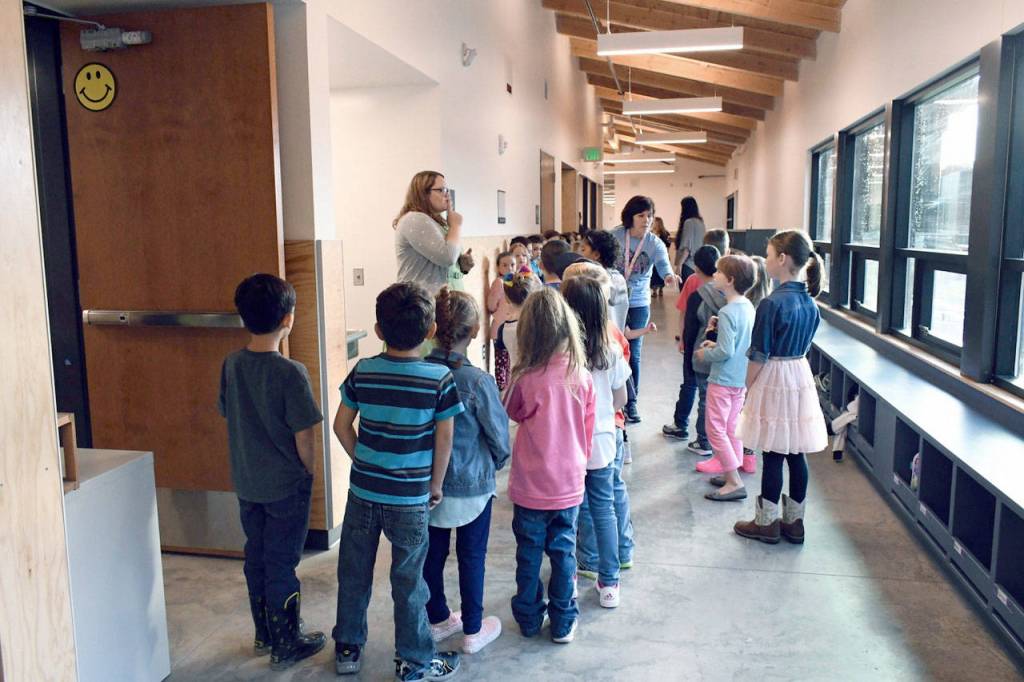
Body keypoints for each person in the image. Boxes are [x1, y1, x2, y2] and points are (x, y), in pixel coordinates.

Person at [331, 282, 463, 681]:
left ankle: (348, 649)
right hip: (410, 498)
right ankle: (414, 661)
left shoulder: (364, 370)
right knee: (409, 581)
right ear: (430, 332)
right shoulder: (438, 378)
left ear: (378, 330)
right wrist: (435, 483)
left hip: (363, 493)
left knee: (354, 571)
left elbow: (341, 426)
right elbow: (445, 437)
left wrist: (365, 461)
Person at [218, 274, 327, 670]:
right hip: (285, 487)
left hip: (247, 482)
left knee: (257, 556)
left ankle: (264, 633)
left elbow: (229, 412)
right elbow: (305, 436)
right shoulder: (290, 373)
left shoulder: (231, 364)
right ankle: (287, 641)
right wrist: (308, 472)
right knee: (282, 561)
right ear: (289, 319)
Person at [504, 287, 595, 644]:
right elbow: (586, 431)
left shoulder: (526, 377)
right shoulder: (581, 375)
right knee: (563, 552)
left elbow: (511, 410)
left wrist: (516, 372)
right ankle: (562, 622)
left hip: (530, 485)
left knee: (528, 555)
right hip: (569, 482)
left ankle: (528, 619)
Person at [423, 288, 510, 655]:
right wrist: (497, 463)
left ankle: (438, 618)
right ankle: (473, 629)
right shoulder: (477, 382)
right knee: (472, 557)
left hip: (428, 485)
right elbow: (499, 436)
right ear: (475, 330)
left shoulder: (420, 372)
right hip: (473, 485)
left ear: (431, 329)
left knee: (433, 554)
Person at [734, 231, 828, 545]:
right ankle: (795, 523)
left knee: (773, 452)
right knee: (796, 451)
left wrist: (747, 385)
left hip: (774, 375)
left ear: (783, 259)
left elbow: (759, 353)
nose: (768, 260)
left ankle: (766, 523)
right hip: (799, 374)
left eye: (770, 254)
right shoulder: (812, 304)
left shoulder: (771, 303)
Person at [561, 277, 630, 608]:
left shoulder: (559, 353)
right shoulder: (612, 351)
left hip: (566, 443)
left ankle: (569, 577)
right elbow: (621, 398)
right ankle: (610, 583)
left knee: (570, 511)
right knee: (604, 510)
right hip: (602, 439)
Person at [693, 256, 757, 501]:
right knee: (731, 427)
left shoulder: (727, 311)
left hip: (722, 379)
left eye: (719, 272)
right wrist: (717, 341)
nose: (715, 275)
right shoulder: (747, 306)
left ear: (729, 280)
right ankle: (732, 468)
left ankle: (733, 481)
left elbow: (724, 352)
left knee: (715, 429)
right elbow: (738, 343)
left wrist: (704, 352)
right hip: (739, 378)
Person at [613, 195, 679, 423]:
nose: (646, 220)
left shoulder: (654, 242)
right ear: (630, 216)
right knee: (612, 349)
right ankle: (614, 398)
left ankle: (632, 403)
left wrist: (669, 276)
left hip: (639, 302)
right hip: (615, 299)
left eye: (649, 216)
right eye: (641, 215)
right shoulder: (617, 235)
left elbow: (663, 264)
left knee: (634, 352)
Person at [663, 245, 721, 450]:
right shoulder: (728, 290)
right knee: (715, 398)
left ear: (696, 267)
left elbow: (689, 327)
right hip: (723, 353)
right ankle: (716, 441)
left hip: (699, 352)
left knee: (697, 391)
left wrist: (686, 349)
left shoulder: (697, 291)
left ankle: (696, 436)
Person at [394, 171, 470, 295]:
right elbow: (448, 257)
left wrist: (462, 265)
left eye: (447, 190)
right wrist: (456, 225)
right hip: (419, 304)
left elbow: (446, 262)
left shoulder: (436, 221)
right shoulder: (415, 219)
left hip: (438, 302)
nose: (447, 195)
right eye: (442, 190)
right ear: (423, 193)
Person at [580, 229, 628, 332]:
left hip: (598, 340)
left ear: (596, 255)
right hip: (616, 338)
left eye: (583, 250)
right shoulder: (618, 277)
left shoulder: (593, 280)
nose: (580, 254)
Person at [495, 269, 540, 374]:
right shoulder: (540, 323)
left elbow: (500, 364)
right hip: (541, 381)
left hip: (517, 381)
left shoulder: (503, 329)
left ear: (506, 299)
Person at [487, 251, 516, 389]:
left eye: (512, 265)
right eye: (505, 265)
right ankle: (502, 391)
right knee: (502, 362)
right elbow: (491, 305)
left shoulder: (516, 282)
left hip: (511, 328)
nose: (509, 268)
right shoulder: (499, 282)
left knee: (509, 362)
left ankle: (507, 390)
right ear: (498, 267)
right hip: (500, 329)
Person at [674, 196, 706, 281]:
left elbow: (687, 247)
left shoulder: (689, 222)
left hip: (687, 264)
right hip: (698, 265)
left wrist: (679, 265)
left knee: (685, 292)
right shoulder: (700, 222)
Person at [650, 217, 672, 298]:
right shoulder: (651, 233)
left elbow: (668, 245)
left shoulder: (665, 234)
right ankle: (654, 291)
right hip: (653, 256)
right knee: (654, 274)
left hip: (662, 256)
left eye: (655, 222)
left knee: (661, 273)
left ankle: (661, 289)